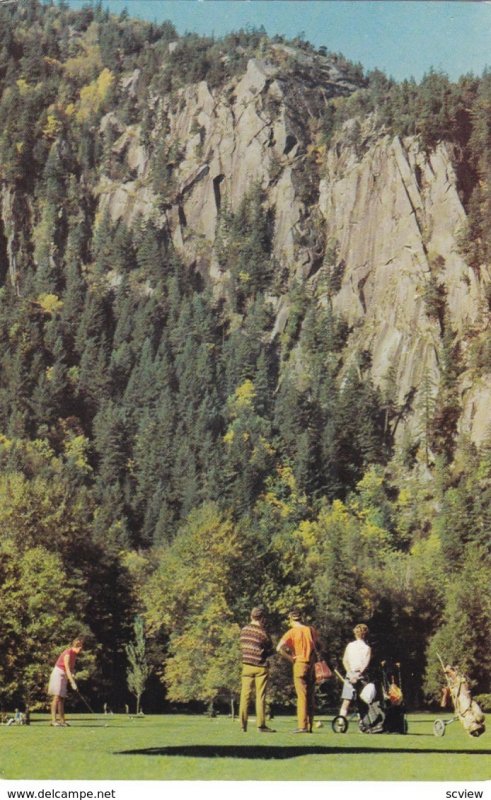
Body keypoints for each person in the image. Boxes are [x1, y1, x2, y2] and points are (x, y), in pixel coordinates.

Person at [277, 608, 319, 733]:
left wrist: (291, 659)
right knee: (310, 696)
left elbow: (279, 648)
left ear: (290, 619)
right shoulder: (311, 630)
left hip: (299, 663)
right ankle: (310, 725)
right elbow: (318, 646)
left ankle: (302, 726)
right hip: (311, 665)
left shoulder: (291, 632)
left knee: (302, 696)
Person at [239, 607, 276, 733]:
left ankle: (243, 725)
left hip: (246, 665)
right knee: (260, 696)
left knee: (245, 696)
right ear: (262, 618)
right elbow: (271, 649)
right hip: (260, 666)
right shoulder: (263, 633)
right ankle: (261, 725)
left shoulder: (244, 630)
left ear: (251, 616)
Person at [48, 637, 84, 727]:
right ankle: (53, 721)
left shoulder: (74, 655)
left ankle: (62, 721)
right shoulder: (68, 653)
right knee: (56, 697)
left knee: (62, 698)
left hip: (64, 674)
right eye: (80, 647)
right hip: (58, 673)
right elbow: (67, 668)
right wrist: (72, 683)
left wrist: (72, 675)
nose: (81, 649)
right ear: (75, 646)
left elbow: (70, 669)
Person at [338, 623, 371, 718]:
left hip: (350, 675)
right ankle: (362, 723)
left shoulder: (350, 646)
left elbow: (345, 661)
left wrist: (351, 674)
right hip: (361, 676)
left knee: (346, 700)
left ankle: (341, 722)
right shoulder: (367, 648)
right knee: (362, 700)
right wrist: (357, 675)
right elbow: (365, 664)